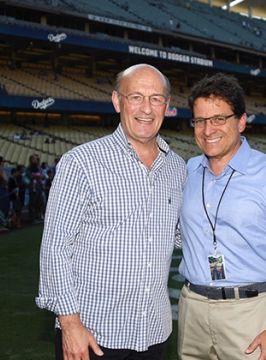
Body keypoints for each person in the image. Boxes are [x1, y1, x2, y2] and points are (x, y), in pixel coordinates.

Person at [36, 63, 187, 360]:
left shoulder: (177, 168)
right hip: (93, 334)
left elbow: (182, 236)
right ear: (117, 101)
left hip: (154, 332)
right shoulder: (81, 163)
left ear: (167, 106)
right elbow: (55, 247)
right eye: (136, 97)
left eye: (156, 98)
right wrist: (69, 324)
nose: (147, 108)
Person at [177, 73, 266, 360]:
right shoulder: (186, 171)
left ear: (241, 121)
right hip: (192, 311)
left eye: (218, 119)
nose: (207, 129)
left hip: (251, 313)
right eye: (200, 120)